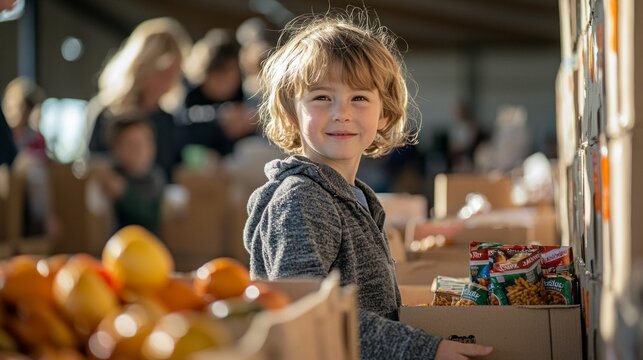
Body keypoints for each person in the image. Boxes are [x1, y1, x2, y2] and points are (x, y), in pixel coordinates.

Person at [243, 9, 493, 360]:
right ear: (289, 112)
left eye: (359, 98)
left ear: (385, 113)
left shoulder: (353, 195)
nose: (340, 112)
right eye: (321, 97)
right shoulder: (302, 201)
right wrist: (424, 349)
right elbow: (309, 316)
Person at [87, 17, 192, 182]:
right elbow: (94, 170)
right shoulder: (107, 114)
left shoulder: (167, 121)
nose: (167, 85)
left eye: (173, 77)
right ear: (142, 66)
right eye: (162, 75)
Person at [178, 28, 256, 157]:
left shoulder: (245, 97)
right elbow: (181, 126)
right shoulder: (189, 96)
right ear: (205, 74)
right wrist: (218, 119)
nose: (225, 81)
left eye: (231, 74)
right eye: (219, 74)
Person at [96, 114, 165, 235]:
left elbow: (152, 216)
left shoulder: (155, 178)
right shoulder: (108, 174)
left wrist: (124, 194)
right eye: (131, 145)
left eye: (145, 143)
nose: (139, 150)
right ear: (115, 149)